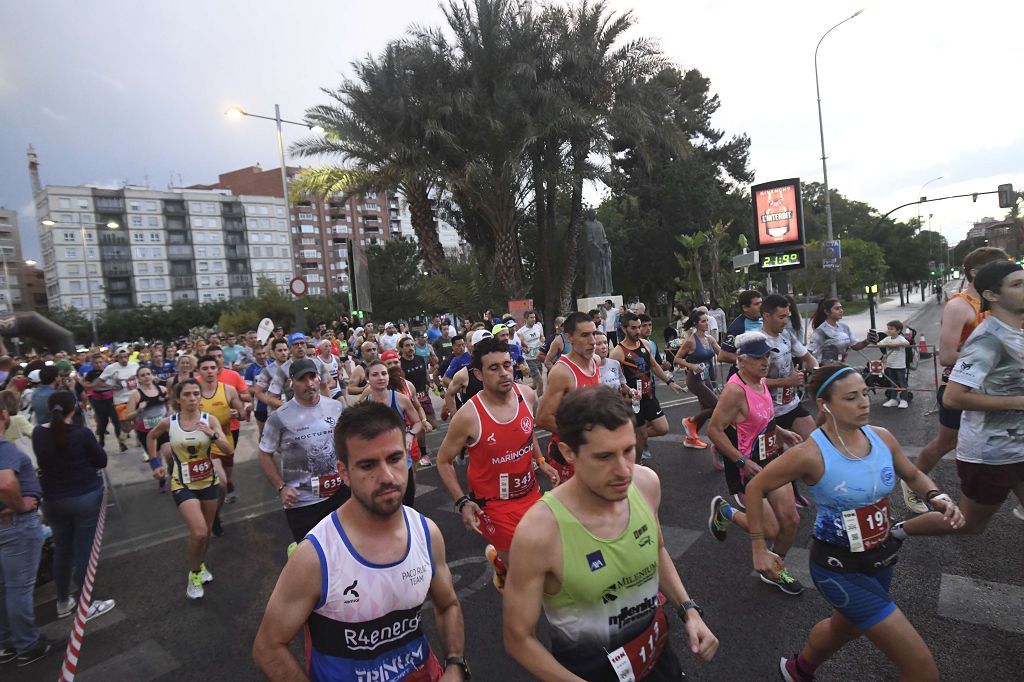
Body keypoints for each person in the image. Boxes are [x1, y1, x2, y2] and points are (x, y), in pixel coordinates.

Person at [743, 365, 963, 682]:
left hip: (881, 558)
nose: (864, 403)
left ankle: (798, 669)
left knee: (843, 627)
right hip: (837, 568)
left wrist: (937, 496)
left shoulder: (882, 438)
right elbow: (755, 487)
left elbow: (913, 475)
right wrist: (759, 548)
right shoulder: (810, 453)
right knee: (922, 668)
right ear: (825, 404)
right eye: (851, 397)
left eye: (864, 393)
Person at [503, 386, 718, 681]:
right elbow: (518, 638)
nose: (623, 471)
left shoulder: (645, 484)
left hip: (657, 656)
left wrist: (689, 610)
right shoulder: (539, 532)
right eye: (604, 457)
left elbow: (656, 550)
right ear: (568, 452)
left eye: (628, 450)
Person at [252, 402, 468, 682]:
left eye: (394, 458)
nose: (387, 477)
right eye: (368, 465)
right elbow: (268, 647)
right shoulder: (315, 557)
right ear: (343, 472)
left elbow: (448, 605)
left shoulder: (427, 534)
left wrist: (455, 664)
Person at [907, 260, 1024, 536]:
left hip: (1017, 444)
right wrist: (1018, 402)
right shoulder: (988, 340)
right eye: (1017, 285)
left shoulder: (1015, 332)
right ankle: (894, 534)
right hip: (991, 454)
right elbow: (953, 397)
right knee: (969, 524)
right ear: (992, 295)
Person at [437, 337, 557, 592]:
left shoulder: (527, 395)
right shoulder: (468, 416)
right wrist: (461, 502)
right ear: (478, 374)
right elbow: (444, 460)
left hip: (530, 492)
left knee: (549, 557)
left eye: (507, 365)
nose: (504, 373)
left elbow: (527, 431)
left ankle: (500, 561)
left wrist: (540, 460)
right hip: (493, 505)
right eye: (494, 368)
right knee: (528, 578)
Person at [705, 332, 805, 595]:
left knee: (791, 519)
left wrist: (782, 433)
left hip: (771, 458)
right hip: (746, 465)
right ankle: (726, 512)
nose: (765, 362)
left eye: (767, 356)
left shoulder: (761, 382)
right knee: (770, 528)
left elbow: (763, 418)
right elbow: (714, 431)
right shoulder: (735, 391)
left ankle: (775, 567)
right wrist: (741, 460)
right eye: (759, 357)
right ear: (742, 361)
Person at [146, 379, 234, 600]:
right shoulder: (170, 422)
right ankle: (194, 574)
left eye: (196, 394)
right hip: (182, 484)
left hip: (208, 483)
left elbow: (227, 448)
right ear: (178, 398)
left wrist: (212, 434)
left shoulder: (209, 419)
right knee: (199, 531)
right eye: (187, 394)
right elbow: (151, 436)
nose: (193, 398)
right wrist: (155, 463)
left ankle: (200, 565)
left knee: (207, 532)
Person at [32, 391, 116, 621]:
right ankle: (88, 602)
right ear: (75, 408)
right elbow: (101, 460)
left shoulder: (39, 434)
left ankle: (62, 600)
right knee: (84, 551)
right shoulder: (81, 433)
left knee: (63, 549)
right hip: (84, 496)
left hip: (52, 500)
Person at [258, 359, 349, 547]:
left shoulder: (335, 407)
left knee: (346, 548)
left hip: (340, 494)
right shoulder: (279, 417)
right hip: (303, 502)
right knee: (314, 557)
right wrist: (281, 488)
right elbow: (264, 454)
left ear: (318, 378)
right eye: (302, 379)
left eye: (312, 377)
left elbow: (348, 443)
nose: (309, 384)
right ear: (292, 382)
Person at [0, 399, 63, 666]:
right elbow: (5, 482)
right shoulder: (3, 448)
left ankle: (6, 642)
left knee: (4, 587)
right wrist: (19, 505)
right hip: (16, 525)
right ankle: (27, 644)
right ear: (3, 415)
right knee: (18, 588)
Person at [537, 312, 602, 481]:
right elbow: (543, 418)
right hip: (568, 454)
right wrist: (580, 437)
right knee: (569, 506)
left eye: (594, 334)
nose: (593, 341)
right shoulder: (562, 372)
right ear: (569, 337)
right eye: (585, 335)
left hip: (591, 449)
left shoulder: (595, 361)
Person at [611, 312, 684, 463]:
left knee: (662, 428)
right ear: (624, 329)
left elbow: (654, 365)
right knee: (642, 436)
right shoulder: (617, 353)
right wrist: (622, 399)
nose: (637, 331)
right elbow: (613, 380)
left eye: (639, 327)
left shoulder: (644, 344)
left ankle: (631, 438)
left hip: (649, 396)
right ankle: (636, 465)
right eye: (633, 328)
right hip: (633, 401)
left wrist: (669, 382)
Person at [196, 355, 247, 536]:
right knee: (222, 483)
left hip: (225, 442)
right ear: (199, 372)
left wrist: (238, 413)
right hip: (203, 446)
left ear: (218, 370)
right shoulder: (194, 392)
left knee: (223, 485)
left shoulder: (228, 390)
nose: (209, 371)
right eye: (205, 368)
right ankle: (212, 518)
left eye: (212, 368)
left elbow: (243, 414)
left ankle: (214, 512)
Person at [363, 360, 425, 508]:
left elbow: (418, 422)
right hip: (379, 462)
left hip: (402, 460)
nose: (380, 377)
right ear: (368, 379)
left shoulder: (400, 399)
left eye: (384, 373)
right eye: (375, 374)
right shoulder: (366, 403)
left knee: (407, 502)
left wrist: (410, 434)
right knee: (386, 503)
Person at [675, 309, 723, 449]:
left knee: (707, 410)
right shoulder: (691, 341)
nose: (707, 323)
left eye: (707, 320)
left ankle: (690, 439)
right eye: (703, 321)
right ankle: (690, 421)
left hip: (706, 378)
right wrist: (691, 365)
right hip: (694, 380)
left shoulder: (710, 339)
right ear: (696, 324)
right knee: (717, 406)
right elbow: (677, 359)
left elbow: (722, 354)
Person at [124, 366, 170, 492]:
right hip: (146, 432)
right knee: (156, 457)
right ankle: (162, 480)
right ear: (138, 379)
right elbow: (127, 416)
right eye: (143, 375)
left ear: (152, 375)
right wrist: (139, 410)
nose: (146, 377)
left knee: (169, 451)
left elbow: (169, 406)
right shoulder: (135, 395)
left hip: (163, 428)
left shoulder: (162, 389)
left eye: (148, 374)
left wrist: (169, 416)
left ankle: (173, 472)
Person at [399, 336, 437, 464]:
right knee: (421, 427)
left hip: (424, 395)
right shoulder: (400, 364)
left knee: (433, 424)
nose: (410, 348)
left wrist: (430, 383)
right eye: (407, 346)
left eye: (411, 345)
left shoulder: (420, 359)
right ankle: (423, 453)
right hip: (411, 399)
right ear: (401, 348)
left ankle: (414, 440)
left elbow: (425, 373)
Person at [96, 346, 140, 450]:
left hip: (135, 398)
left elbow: (140, 377)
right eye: (121, 357)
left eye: (126, 357)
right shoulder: (111, 368)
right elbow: (99, 382)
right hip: (121, 401)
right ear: (117, 358)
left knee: (139, 423)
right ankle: (123, 436)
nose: (124, 360)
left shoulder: (135, 365)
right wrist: (111, 387)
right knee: (127, 426)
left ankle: (142, 444)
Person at [81, 352, 124, 451]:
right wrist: (96, 383)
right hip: (98, 401)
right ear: (92, 364)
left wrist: (114, 386)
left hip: (111, 399)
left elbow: (118, 383)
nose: (99, 364)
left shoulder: (109, 371)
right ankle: (101, 440)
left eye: (100, 362)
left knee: (116, 422)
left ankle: (121, 443)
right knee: (102, 423)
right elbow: (86, 386)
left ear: (104, 362)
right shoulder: (91, 374)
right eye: (96, 363)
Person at [808, 298, 872, 364]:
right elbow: (809, 352)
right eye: (837, 309)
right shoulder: (820, 331)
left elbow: (855, 345)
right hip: (825, 369)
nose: (841, 311)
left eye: (841, 308)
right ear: (827, 312)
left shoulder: (844, 327)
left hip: (841, 367)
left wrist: (868, 340)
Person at [718, 290, 764, 369]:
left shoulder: (765, 318)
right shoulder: (738, 327)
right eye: (756, 304)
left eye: (761, 303)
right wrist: (751, 362)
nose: (761, 306)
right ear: (745, 308)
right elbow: (723, 356)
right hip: (745, 376)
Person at [877, 320, 912, 409]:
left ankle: (904, 399)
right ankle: (893, 399)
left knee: (902, 382)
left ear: (898, 330)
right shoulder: (887, 338)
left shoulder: (900, 338)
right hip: (890, 364)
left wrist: (895, 344)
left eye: (891, 329)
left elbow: (907, 343)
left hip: (899, 365)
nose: (889, 331)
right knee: (892, 382)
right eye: (888, 329)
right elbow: (879, 344)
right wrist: (885, 343)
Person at [516, 309, 546, 395]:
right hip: (529, 360)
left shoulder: (538, 327)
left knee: (535, 385)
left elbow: (542, 337)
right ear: (525, 319)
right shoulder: (520, 332)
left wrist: (543, 340)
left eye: (534, 317)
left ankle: (518, 390)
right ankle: (541, 403)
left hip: (538, 358)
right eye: (531, 317)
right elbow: (519, 346)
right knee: (540, 382)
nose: (534, 319)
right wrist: (524, 348)